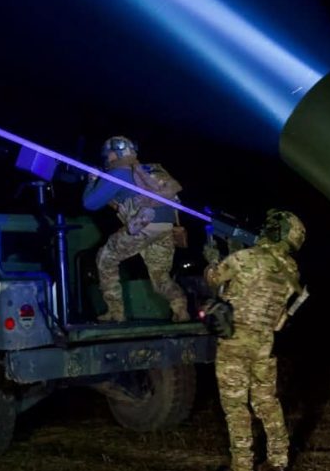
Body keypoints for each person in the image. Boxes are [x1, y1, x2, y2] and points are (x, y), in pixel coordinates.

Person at [203, 209, 306, 471]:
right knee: (266, 401)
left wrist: (211, 261)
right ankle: (279, 459)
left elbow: (214, 280)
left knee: (235, 406)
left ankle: (242, 465)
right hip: (264, 341)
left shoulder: (246, 257)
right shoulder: (290, 269)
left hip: (235, 339)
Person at [82, 135, 189, 322]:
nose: (107, 158)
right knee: (160, 277)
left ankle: (116, 313)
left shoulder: (118, 173)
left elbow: (90, 203)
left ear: (113, 153)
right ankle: (181, 310)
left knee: (106, 259)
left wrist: (92, 180)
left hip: (145, 226)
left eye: (108, 154)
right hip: (166, 228)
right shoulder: (149, 170)